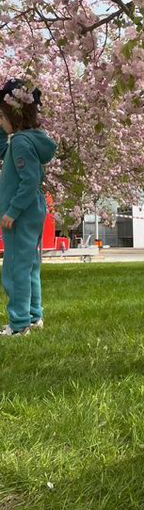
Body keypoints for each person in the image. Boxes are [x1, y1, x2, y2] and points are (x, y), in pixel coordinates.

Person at [0, 79, 57, 335]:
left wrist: (12, 211)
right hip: (32, 210)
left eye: (2, 116)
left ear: (13, 114)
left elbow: (30, 179)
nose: (0, 121)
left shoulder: (21, 142)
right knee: (30, 264)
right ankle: (34, 317)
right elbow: (5, 151)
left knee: (15, 268)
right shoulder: (25, 140)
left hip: (20, 213)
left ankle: (19, 324)